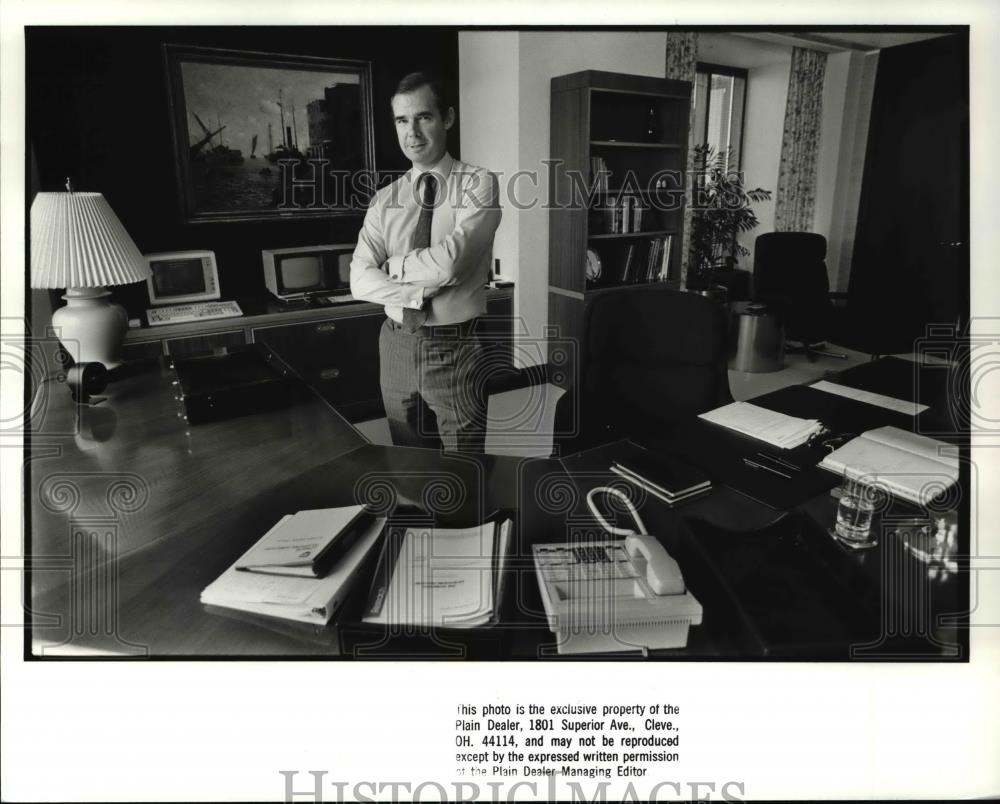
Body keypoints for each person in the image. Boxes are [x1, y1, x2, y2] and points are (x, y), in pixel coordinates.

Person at [350, 72, 501, 453]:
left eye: (423, 117)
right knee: (409, 460)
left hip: (454, 347)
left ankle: (466, 516)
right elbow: (359, 281)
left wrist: (394, 267)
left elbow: (450, 265)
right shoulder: (386, 200)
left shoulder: (478, 184)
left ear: (447, 118)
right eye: (402, 120)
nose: (412, 133)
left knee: (465, 465)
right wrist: (417, 290)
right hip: (396, 343)